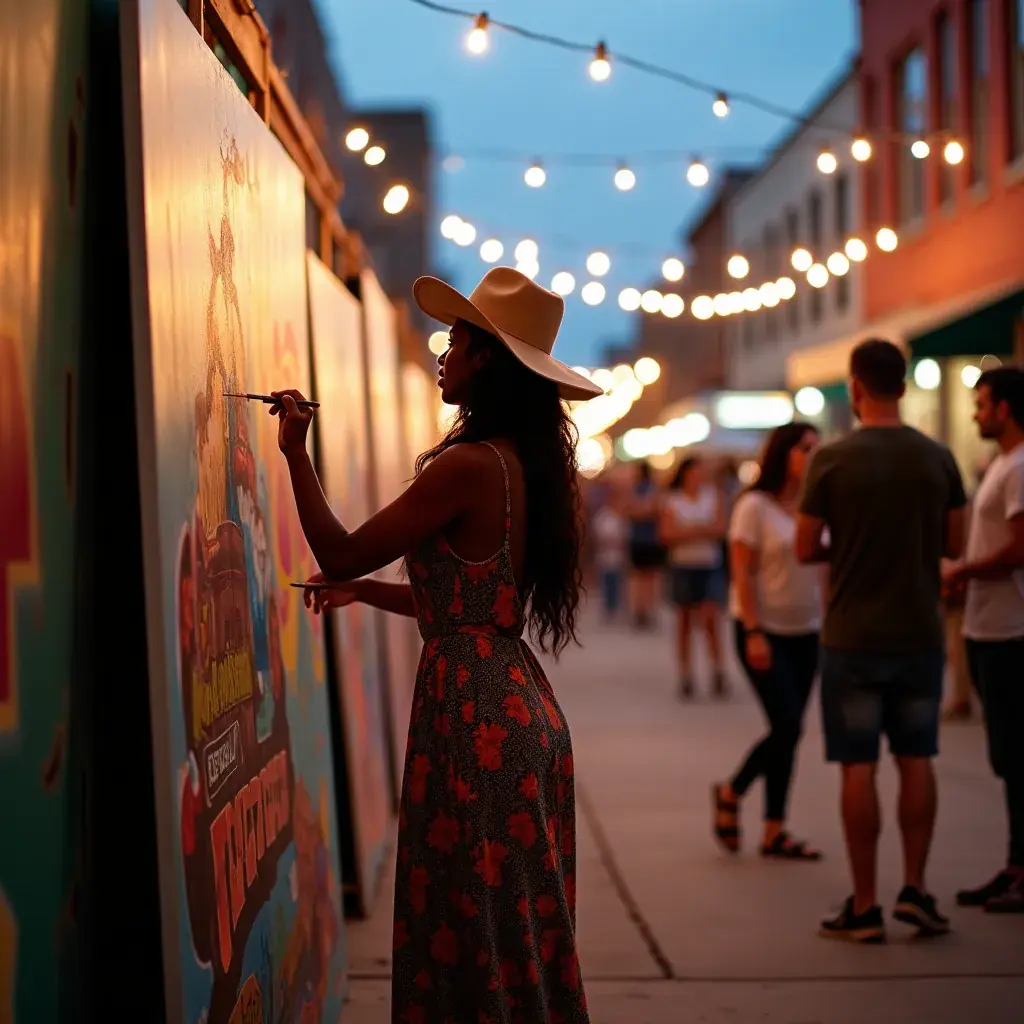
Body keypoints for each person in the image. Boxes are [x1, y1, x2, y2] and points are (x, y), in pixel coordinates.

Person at [272, 266, 597, 1022]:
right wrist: (363, 594)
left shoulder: (467, 466)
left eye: (453, 342)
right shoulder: (522, 466)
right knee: (509, 925)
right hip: (516, 707)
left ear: (486, 358)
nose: (441, 356)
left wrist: (295, 452)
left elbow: (345, 549)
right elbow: (464, 605)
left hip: (473, 721)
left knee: (471, 925)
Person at [796, 338, 966, 943]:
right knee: (917, 758)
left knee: (858, 766)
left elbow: (802, 545)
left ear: (855, 386)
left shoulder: (832, 460)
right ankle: (916, 889)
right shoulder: (937, 457)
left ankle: (865, 905)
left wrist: (846, 546)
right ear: (903, 382)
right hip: (918, 634)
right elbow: (954, 544)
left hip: (852, 638)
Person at [713, 423, 823, 861]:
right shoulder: (753, 506)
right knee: (788, 725)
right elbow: (742, 572)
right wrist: (755, 631)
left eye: (818, 448)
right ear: (784, 454)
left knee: (787, 731)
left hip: (807, 630)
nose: (814, 455)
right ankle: (732, 790)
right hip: (762, 630)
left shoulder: (816, 506)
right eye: (806, 448)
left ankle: (774, 829)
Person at [943, 366, 1024, 914]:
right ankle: (1015, 865)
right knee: (1008, 758)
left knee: (1018, 758)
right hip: (990, 627)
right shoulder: (1003, 464)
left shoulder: (1020, 467)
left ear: (1006, 408)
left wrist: (964, 570)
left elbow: (1020, 548)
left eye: (981, 403)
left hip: (1014, 631)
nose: (974, 412)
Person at [660, 457, 727, 698]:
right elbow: (667, 533)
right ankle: (686, 674)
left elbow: (720, 529)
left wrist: (687, 531)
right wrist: (701, 530)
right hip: (683, 566)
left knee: (710, 619)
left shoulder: (714, 496)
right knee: (685, 622)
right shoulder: (673, 500)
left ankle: (718, 669)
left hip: (708, 565)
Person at [626, 460, 663, 629]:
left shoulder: (648, 489)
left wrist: (639, 511)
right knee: (640, 577)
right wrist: (644, 511)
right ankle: (640, 610)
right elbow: (631, 510)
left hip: (648, 539)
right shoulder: (641, 489)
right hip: (641, 539)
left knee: (647, 577)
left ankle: (645, 609)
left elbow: (650, 509)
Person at [591, 495, 628, 622]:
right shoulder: (603, 516)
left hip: (618, 555)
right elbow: (597, 534)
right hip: (605, 555)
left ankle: (616, 606)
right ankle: (608, 608)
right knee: (607, 582)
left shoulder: (621, 515)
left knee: (617, 582)